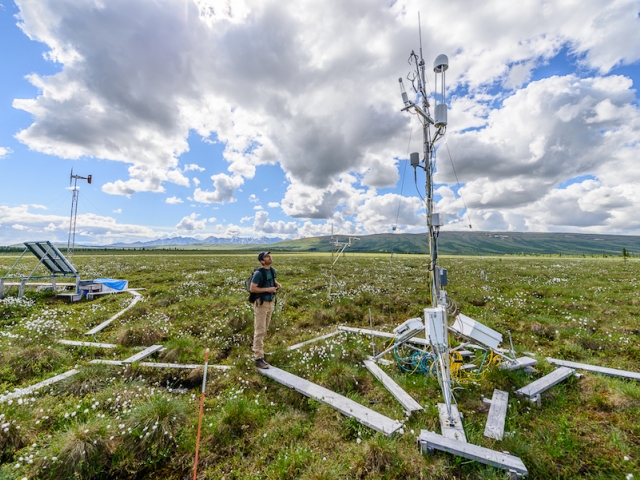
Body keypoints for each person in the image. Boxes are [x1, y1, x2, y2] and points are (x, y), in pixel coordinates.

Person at [250, 251, 281, 369]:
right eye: (266, 256)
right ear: (262, 261)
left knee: (265, 329)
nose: (269, 257)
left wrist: (277, 285)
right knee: (260, 330)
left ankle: (259, 350)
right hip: (261, 303)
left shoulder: (272, 270)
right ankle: (258, 358)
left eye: (269, 255)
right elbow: (252, 288)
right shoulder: (258, 273)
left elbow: (272, 282)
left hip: (270, 302)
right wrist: (268, 290)